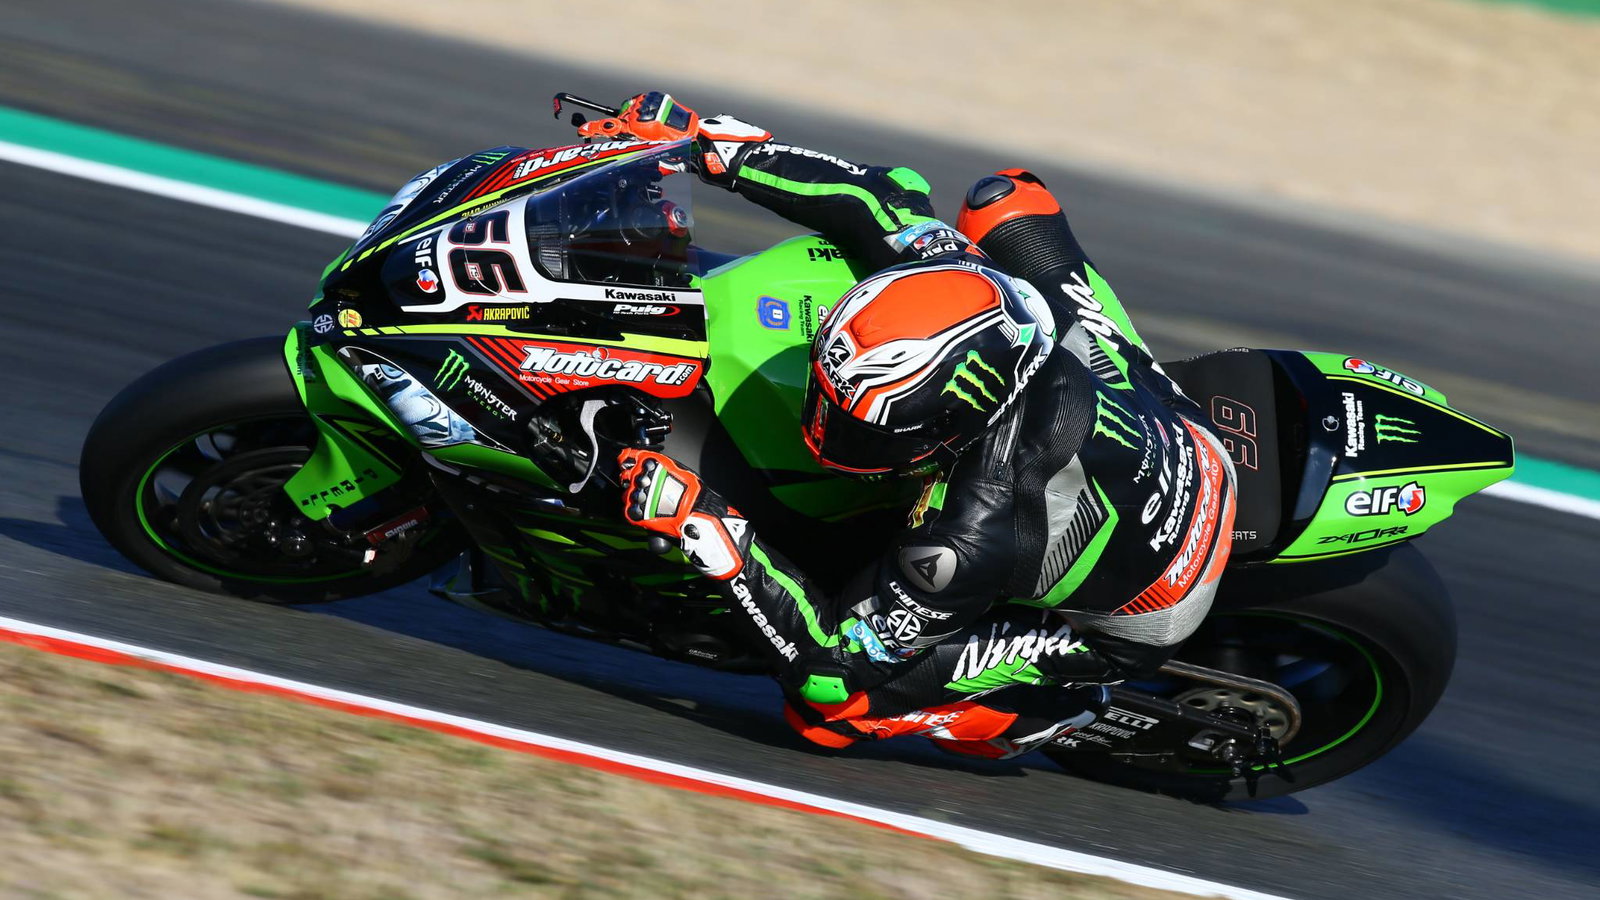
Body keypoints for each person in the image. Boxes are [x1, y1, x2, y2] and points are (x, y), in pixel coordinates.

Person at [601, 92, 1239, 759]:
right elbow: (881, 195)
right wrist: (720, 150)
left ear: (953, 429)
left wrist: (711, 529)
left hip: (1159, 596)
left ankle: (1033, 715)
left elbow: (831, 661)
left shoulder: (972, 535)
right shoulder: (962, 277)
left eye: (863, 432)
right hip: (1171, 419)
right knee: (1005, 196)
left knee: (831, 711)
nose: (824, 434)